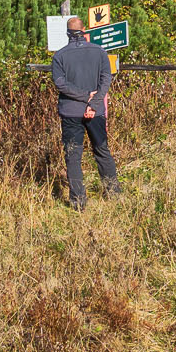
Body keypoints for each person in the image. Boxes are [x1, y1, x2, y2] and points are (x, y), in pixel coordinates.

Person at [50, 15, 119, 209]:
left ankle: (78, 202)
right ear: (84, 31)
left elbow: (60, 84)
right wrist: (94, 101)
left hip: (71, 112)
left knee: (73, 155)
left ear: (67, 33)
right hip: (96, 112)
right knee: (102, 150)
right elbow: (106, 79)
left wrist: (83, 96)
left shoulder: (59, 56)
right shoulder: (100, 52)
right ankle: (113, 193)